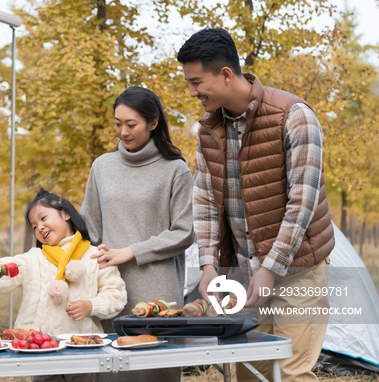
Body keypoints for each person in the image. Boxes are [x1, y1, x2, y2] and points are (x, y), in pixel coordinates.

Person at [177, 28, 334, 382]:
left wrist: (270, 268)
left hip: (298, 268)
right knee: (252, 371)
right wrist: (207, 265)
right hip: (246, 271)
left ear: (226, 74)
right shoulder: (207, 129)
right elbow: (203, 199)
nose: (192, 92)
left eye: (197, 82)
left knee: (291, 373)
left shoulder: (293, 115)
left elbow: (302, 203)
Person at [80, 86, 195, 382]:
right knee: (111, 369)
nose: (123, 132)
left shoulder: (175, 170)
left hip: (157, 293)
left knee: (154, 371)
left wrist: (130, 251)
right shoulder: (102, 167)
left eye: (131, 124)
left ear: (153, 123)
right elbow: (88, 227)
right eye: (118, 124)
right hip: (109, 289)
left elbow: (184, 233)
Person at [0, 189, 127, 382]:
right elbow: (3, 270)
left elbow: (116, 294)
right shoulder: (33, 259)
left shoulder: (94, 256)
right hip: (39, 349)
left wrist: (91, 306)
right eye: (34, 226)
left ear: (65, 214)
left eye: (43, 218)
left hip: (83, 351)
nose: (39, 227)